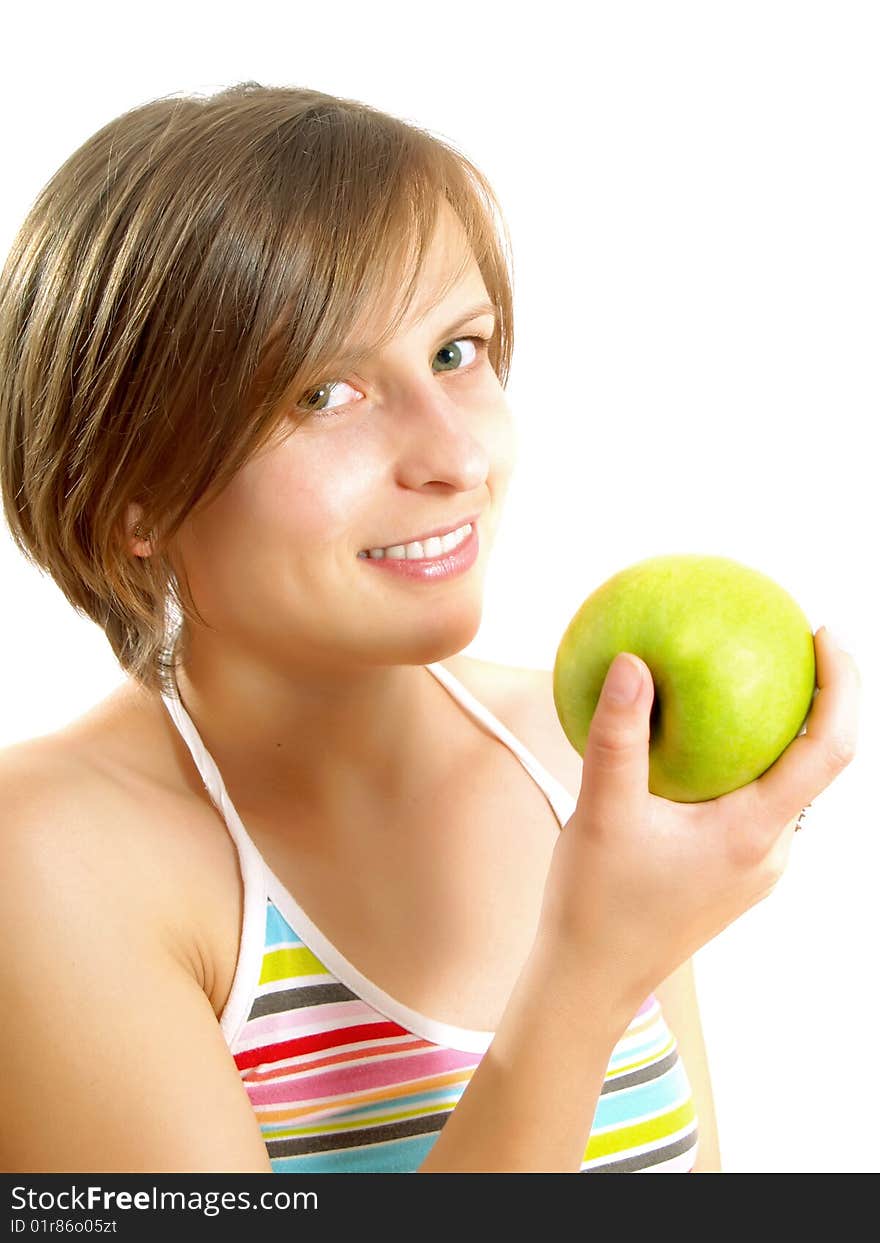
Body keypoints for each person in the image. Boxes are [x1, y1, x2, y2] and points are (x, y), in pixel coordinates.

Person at [0, 82, 860, 1175]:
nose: (454, 456)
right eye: (321, 393)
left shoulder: (575, 762)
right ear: (131, 496)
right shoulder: (46, 861)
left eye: (457, 352)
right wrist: (588, 975)